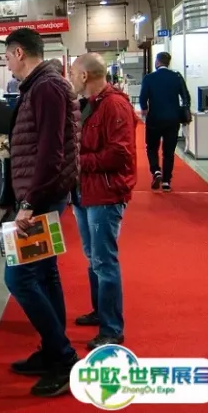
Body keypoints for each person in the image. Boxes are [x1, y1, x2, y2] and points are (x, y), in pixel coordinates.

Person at [3, 28, 80, 397]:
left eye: (7, 57)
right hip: (45, 194)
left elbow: (50, 152)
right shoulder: (41, 86)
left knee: (18, 278)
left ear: (19, 52)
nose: (7, 65)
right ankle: (52, 350)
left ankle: (64, 358)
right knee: (46, 274)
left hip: (42, 198)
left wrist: (28, 203)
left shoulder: (46, 87)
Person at [69, 53, 137, 349]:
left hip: (105, 195)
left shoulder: (114, 105)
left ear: (84, 76)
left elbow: (119, 154)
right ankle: (100, 312)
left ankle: (112, 329)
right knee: (93, 258)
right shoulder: (89, 105)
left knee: (103, 261)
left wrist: (77, 162)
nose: (70, 78)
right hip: (85, 192)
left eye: (73, 73)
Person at [139, 52, 191, 192]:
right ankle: (167, 181)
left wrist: (144, 109)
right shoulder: (176, 77)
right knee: (169, 151)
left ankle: (156, 171)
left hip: (154, 119)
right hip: (173, 120)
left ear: (157, 61)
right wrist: (185, 112)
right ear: (168, 62)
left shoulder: (149, 78)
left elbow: (143, 97)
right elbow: (186, 96)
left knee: (152, 147)